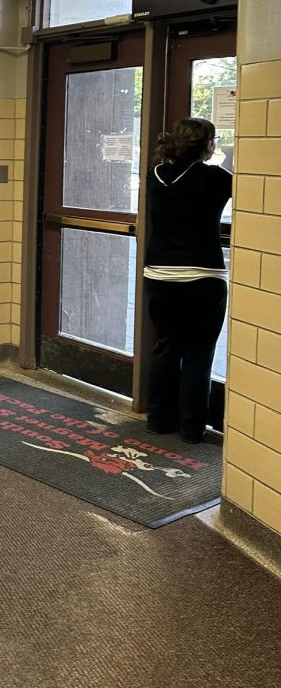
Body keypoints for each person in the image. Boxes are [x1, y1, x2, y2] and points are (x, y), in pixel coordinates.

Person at [143, 116, 232, 443]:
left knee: (165, 347)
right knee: (198, 352)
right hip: (203, 278)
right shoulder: (214, 177)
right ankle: (192, 428)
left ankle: (157, 419)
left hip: (159, 276)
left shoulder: (156, 175)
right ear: (207, 145)